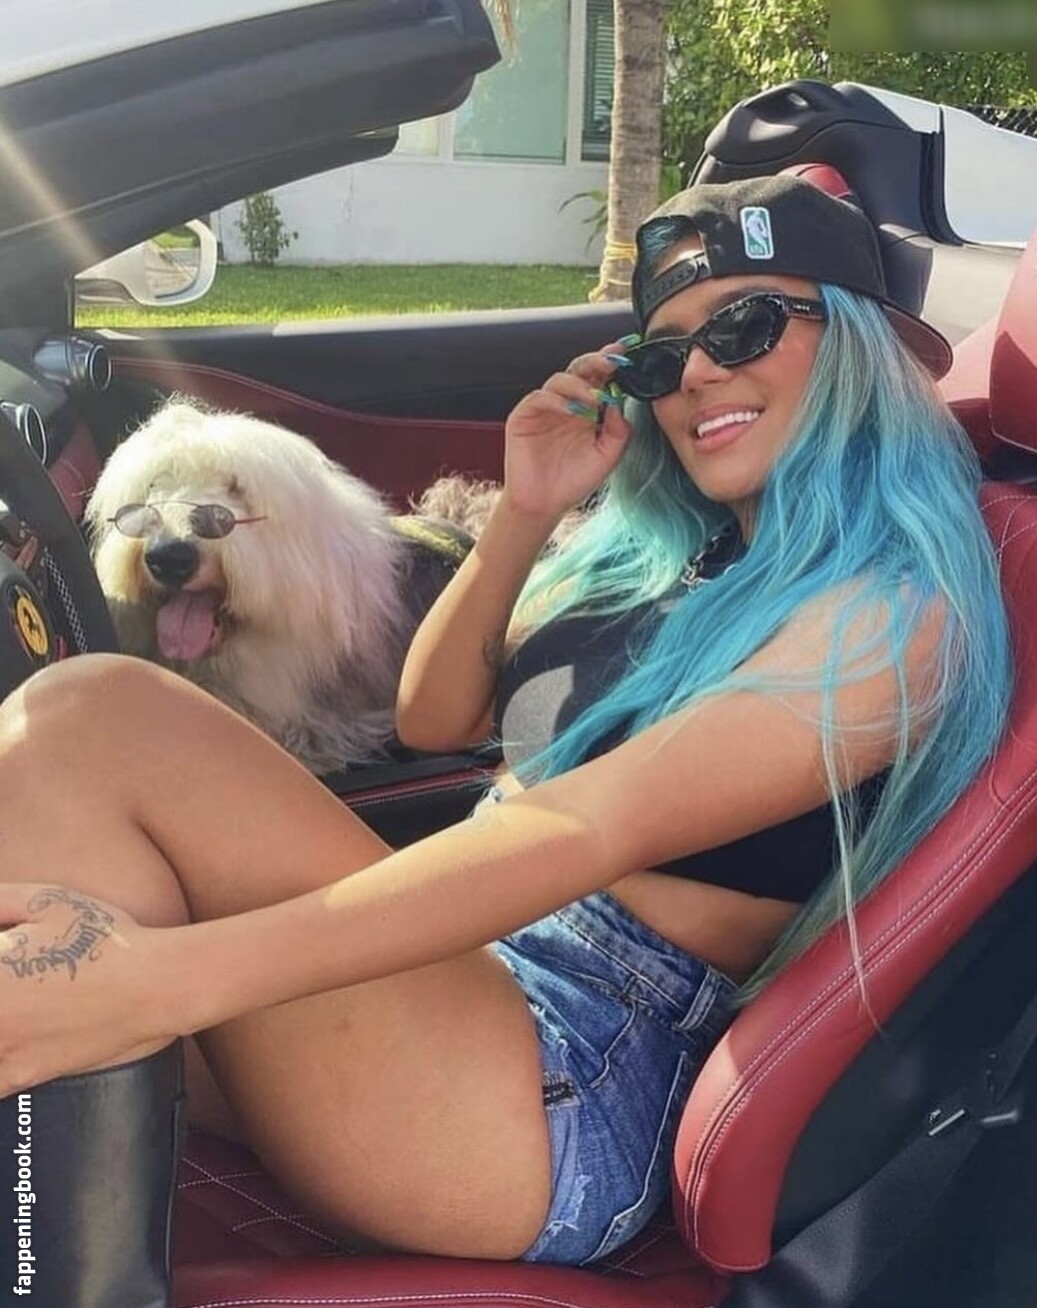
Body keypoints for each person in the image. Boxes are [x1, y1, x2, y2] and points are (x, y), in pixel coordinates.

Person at [0, 175, 1012, 1295]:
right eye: (660, 356)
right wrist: (525, 511)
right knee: (60, 839)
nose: (697, 375)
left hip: (567, 1083)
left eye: (743, 326)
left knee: (92, 717)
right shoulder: (670, 554)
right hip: (472, 975)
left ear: (858, 342)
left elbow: (586, 828)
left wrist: (168, 979)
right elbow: (435, 720)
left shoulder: (894, 612)